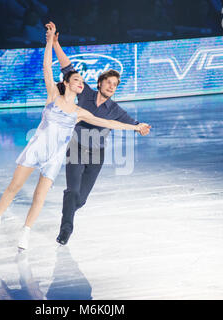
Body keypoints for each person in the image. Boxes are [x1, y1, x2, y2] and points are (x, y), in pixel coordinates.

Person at [0, 23, 151, 250]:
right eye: (77, 80)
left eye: (82, 81)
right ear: (69, 83)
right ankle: (3, 220)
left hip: (71, 156)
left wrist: (137, 127)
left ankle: (29, 230)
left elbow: (111, 122)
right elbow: (53, 66)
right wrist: (50, 42)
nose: (81, 83)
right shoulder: (59, 95)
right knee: (20, 187)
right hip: (50, 149)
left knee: (56, 198)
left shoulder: (83, 112)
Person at [46, 21, 152, 246]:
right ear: (100, 82)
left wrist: (140, 126)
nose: (112, 87)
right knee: (72, 191)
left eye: (115, 84)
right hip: (75, 149)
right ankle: (66, 229)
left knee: (80, 200)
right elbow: (68, 69)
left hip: (96, 155)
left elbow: (131, 122)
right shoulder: (84, 94)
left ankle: (69, 210)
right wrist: (55, 44)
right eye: (109, 82)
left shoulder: (114, 109)